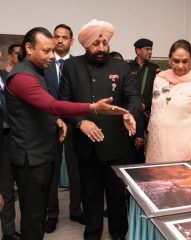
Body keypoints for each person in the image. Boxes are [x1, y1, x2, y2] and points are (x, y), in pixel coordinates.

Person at [5, 27, 129, 240]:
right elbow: (53, 104)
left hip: (43, 154)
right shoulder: (22, 77)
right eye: (46, 51)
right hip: (30, 158)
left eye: (52, 50)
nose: (52, 56)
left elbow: (39, 109)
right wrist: (91, 108)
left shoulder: (37, 71)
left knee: (37, 214)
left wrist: (56, 121)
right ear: (28, 48)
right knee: (33, 219)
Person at [59, 19, 141, 240]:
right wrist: (80, 122)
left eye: (105, 43)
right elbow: (63, 103)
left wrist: (128, 113)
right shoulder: (71, 67)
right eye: (96, 44)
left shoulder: (121, 67)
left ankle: (118, 234)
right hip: (85, 147)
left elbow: (133, 97)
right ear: (86, 44)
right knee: (90, 196)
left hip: (116, 146)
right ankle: (92, 234)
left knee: (116, 197)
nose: (102, 48)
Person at [43, 24, 86, 234]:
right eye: (57, 37)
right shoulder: (44, 64)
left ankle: (76, 210)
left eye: (64, 37)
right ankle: (51, 214)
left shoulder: (79, 64)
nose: (60, 41)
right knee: (51, 170)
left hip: (74, 123)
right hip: (49, 124)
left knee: (76, 168)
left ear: (71, 41)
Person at [146, 39, 191, 166]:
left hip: (185, 150)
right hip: (157, 147)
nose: (180, 66)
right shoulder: (160, 78)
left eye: (185, 61)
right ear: (169, 59)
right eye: (176, 61)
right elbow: (154, 112)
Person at [128, 38, 161, 163]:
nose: (150, 52)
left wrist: (145, 104)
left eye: (151, 49)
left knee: (147, 147)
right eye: (147, 49)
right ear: (138, 51)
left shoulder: (154, 69)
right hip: (131, 112)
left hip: (148, 113)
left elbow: (158, 92)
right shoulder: (128, 67)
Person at [1, 69, 21, 240]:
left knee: (14, 185)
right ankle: (8, 231)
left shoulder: (8, 77)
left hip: (15, 136)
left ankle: (11, 231)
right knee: (5, 187)